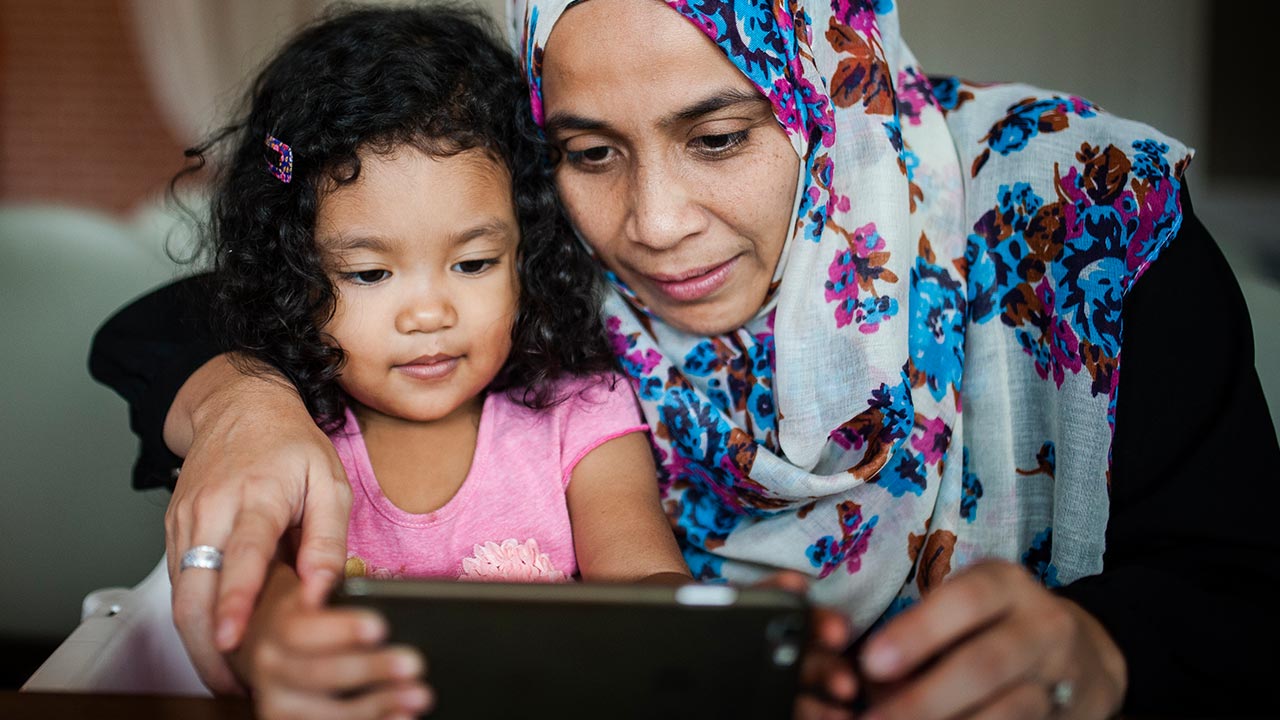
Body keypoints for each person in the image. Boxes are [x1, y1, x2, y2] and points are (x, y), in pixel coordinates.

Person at [91, 1, 1280, 718]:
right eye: (589, 149)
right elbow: (210, 301)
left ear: (826, 85)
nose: (654, 227)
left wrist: (1102, 657)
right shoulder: (533, 250)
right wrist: (242, 401)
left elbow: (1242, 598)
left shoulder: (1079, 213)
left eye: (718, 136)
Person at [115, 6, 694, 717]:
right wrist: (277, 640)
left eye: (475, 262)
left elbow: (645, 579)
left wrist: (705, 633)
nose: (429, 314)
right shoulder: (294, 432)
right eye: (369, 274)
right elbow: (257, 600)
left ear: (530, 255)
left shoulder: (582, 414)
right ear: (294, 272)